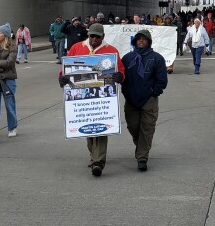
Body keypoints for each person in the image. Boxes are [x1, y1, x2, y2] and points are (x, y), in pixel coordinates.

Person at [60, 22, 125, 177]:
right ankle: (93, 155)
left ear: (102, 36)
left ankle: (98, 162)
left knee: (101, 128)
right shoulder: (77, 48)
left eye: (97, 36)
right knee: (88, 128)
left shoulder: (111, 51)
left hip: (102, 97)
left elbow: (121, 69)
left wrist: (120, 76)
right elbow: (66, 68)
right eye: (92, 36)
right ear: (88, 35)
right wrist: (61, 78)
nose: (94, 39)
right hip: (83, 97)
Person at [121, 29, 168, 171]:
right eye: (138, 39)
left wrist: (154, 93)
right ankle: (141, 146)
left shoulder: (157, 58)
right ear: (135, 41)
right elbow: (122, 77)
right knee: (133, 127)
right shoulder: (127, 58)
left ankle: (142, 158)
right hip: (131, 99)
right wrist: (125, 91)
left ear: (149, 41)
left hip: (149, 100)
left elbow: (162, 80)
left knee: (147, 129)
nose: (141, 41)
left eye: (144, 39)